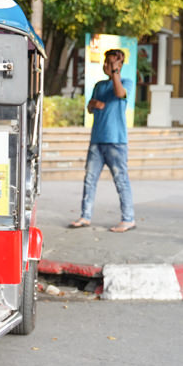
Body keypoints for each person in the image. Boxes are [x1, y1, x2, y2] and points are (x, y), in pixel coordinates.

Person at [70, 48, 135, 232]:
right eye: (106, 62)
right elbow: (90, 107)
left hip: (116, 141)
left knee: (121, 181)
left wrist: (115, 72)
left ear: (120, 65)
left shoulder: (126, 82)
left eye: (112, 62)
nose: (107, 65)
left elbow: (120, 93)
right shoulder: (99, 86)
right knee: (89, 180)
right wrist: (93, 104)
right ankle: (85, 216)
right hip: (97, 140)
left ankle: (128, 219)